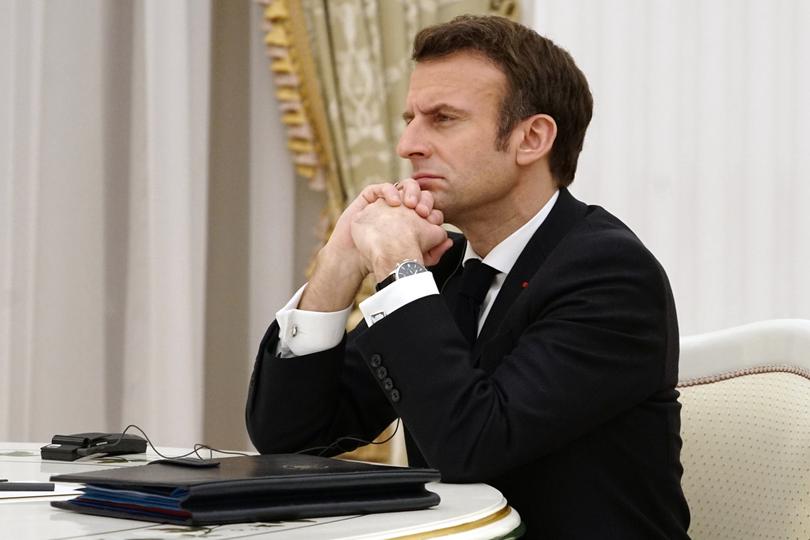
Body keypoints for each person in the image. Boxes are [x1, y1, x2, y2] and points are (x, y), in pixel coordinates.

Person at [246, 15, 690, 538]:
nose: (408, 144)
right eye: (409, 118)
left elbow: (469, 448)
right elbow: (290, 435)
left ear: (531, 138)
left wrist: (396, 266)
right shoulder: (451, 267)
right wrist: (339, 263)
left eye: (443, 119)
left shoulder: (610, 274)